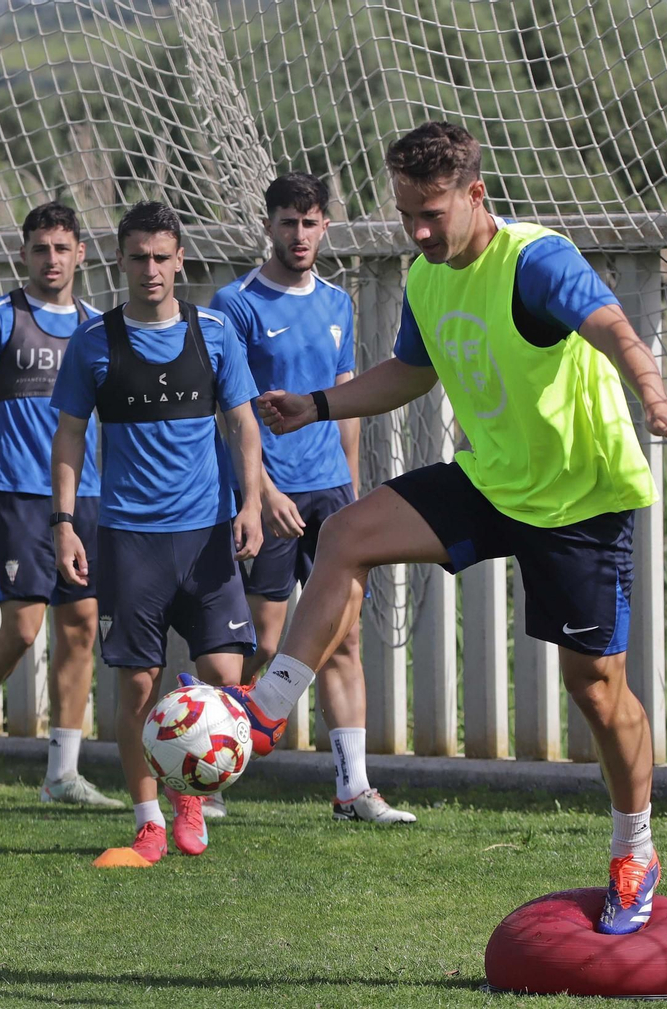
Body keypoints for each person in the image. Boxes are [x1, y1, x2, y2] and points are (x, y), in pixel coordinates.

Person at [243, 122, 667, 934]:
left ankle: (635, 847)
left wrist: (655, 395)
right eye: (406, 215)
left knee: (595, 690)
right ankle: (267, 709)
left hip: (581, 499)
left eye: (431, 213)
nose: (419, 232)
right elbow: (412, 369)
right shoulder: (427, 278)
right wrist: (318, 405)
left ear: (475, 195)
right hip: (493, 478)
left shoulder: (535, 261)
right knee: (346, 535)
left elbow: (610, 324)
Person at [50, 201, 264, 865]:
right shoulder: (94, 342)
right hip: (129, 538)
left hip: (205, 536)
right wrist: (63, 522)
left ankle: (191, 790)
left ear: (180, 260)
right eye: (138, 257)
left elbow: (244, 425)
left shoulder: (217, 333)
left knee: (223, 674)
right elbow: (69, 436)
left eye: (162, 257)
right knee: (138, 683)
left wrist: (251, 502)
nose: (151, 269)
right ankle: (149, 819)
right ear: (119, 260)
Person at [209, 173, 414, 825]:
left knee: (342, 637)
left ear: (327, 226)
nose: (300, 235)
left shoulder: (336, 301)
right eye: (288, 222)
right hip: (268, 492)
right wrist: (260, 490)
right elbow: (229, 410)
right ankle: (209, 772)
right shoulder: (234, 302)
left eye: (312, 221)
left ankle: (354, 788)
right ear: (268, 226)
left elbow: (344, 398)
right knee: (263, 641)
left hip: (330, 493)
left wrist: (350, 492)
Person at [0, 201, 118, 807]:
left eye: (62, 247)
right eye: (40, 248)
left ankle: (61, 775)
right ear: (24, 254)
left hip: (89, 496)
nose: (52, 259)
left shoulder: (100, 328)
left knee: (79, 627)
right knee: (23, 629)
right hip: (18, 492)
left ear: (80, 254)